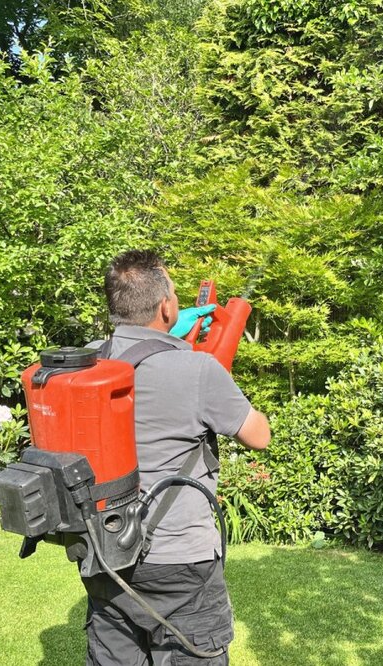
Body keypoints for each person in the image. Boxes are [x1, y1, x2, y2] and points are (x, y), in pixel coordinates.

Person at [82, 249, 270, 666]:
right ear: (167, 305)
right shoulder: (197, 369)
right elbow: (259, 436)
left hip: (105, 551)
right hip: (180, 557)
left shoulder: (88, 359)